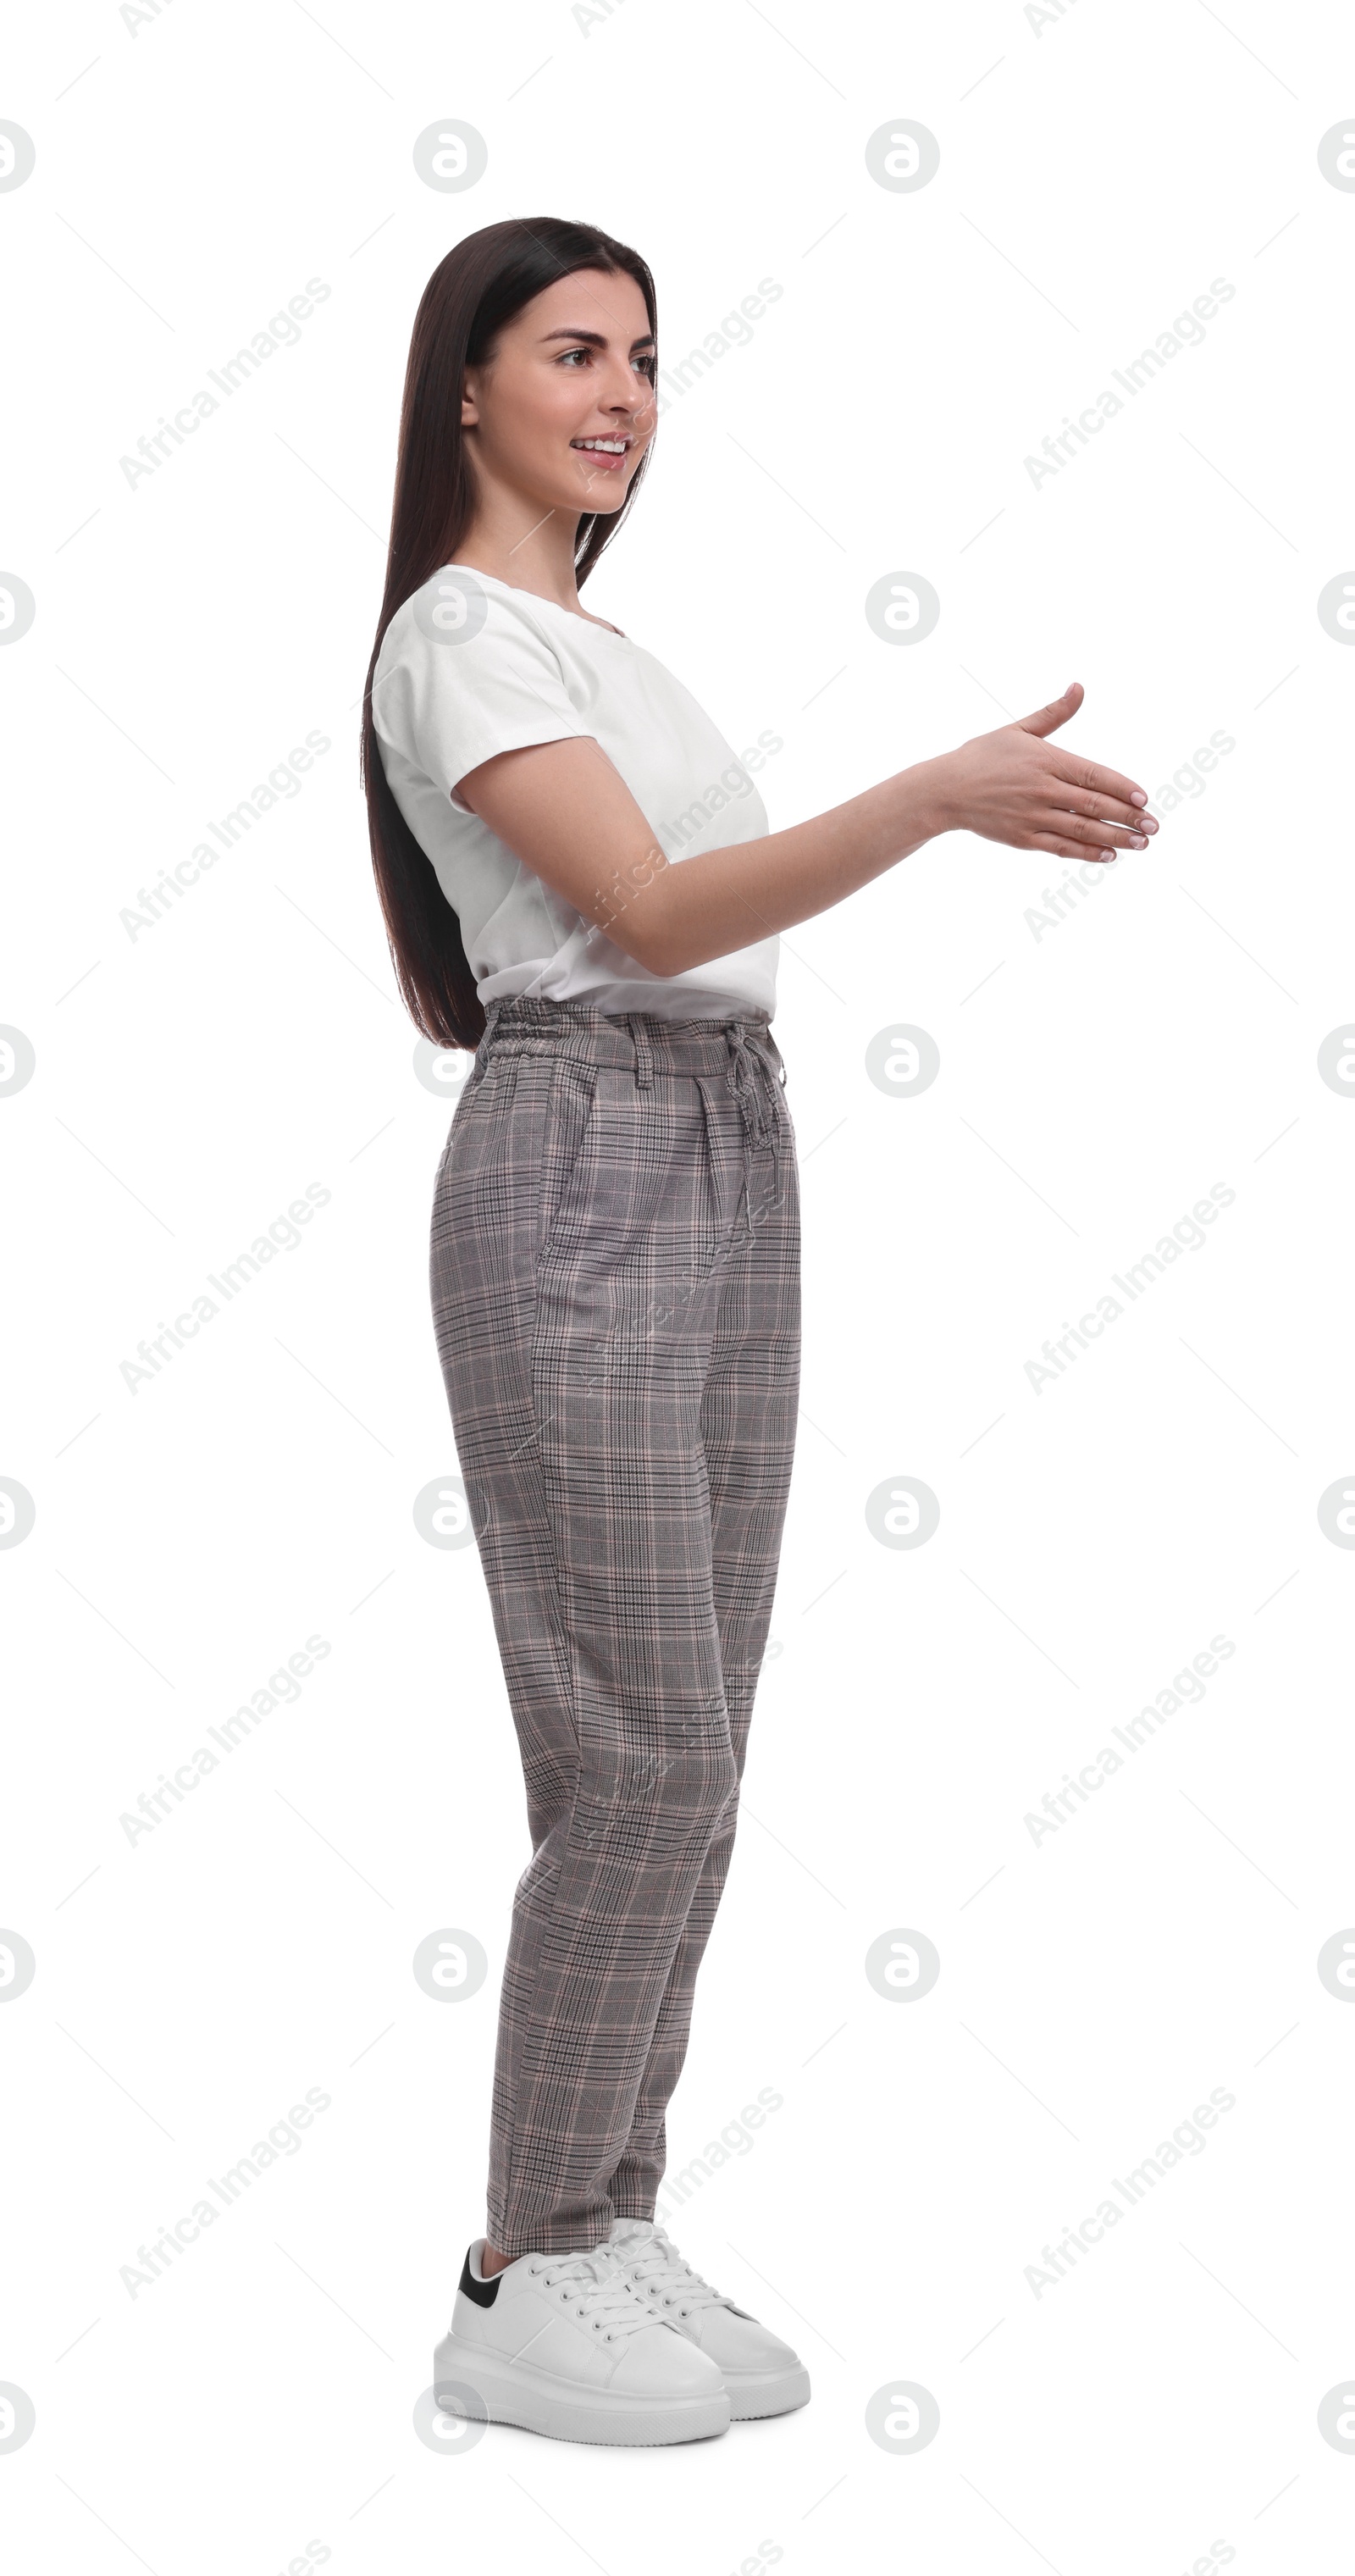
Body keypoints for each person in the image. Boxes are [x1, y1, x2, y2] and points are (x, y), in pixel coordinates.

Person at [362, 216, 1158, 2449]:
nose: (621, 391)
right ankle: (520, 2262)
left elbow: (699, 943)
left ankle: (609, 2215)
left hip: (723, 1142)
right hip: (585, 1159)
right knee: (647, 1747)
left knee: (704, 1733)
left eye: (644, 356)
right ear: (468, 392)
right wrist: (933, 794)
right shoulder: (461, 640)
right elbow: (652, 913)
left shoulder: (600, 641)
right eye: (573, 350)